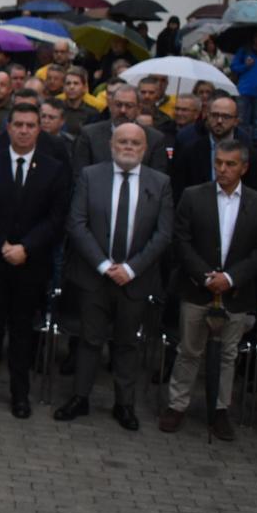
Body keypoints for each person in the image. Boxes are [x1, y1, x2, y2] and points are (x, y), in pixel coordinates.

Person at [56, 123, 173, 432]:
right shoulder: (90, 176)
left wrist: (131, 269)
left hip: (134, 280)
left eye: (135, 143)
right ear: (111, 144)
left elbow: (163, 234)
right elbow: (76, 223)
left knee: (126, 344)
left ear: (145, 149)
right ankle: (80, 397)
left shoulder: (159, 183)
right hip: (94, 276)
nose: (128, 147)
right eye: (122, 141)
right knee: (89, 340)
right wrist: (103, 265)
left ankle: (125, 404)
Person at [159, 138, 257, 441]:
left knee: (227, 354)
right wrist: (204, 275)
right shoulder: (194, 196)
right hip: (197, 288)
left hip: (236, 293)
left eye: (230, 164)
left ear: (244, 168)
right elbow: (181, 240)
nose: (222, 169)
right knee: (189, 350)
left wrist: (231, 278)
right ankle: (177, 404)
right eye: (218, 163)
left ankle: (220, 409)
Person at [0, 103, 71, 417]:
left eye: (30, 125)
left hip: (30, 265)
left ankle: (20, 395)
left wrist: (25, 247)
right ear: (8, 128)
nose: (24, 130)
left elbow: (56, 218)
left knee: (23, 333)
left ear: (40, 129)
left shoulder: (54, 168)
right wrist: (2, 245)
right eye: (19, 124)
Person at [71, 84, 169, 173]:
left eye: (129, 106)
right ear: (110, 106)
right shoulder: (90, 134)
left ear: (139, 109)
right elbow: (79, 175)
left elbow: (157, 181)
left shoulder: (154, 139)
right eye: (118, 105)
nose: (123, 110)